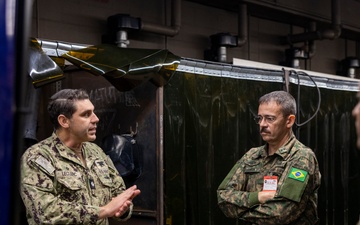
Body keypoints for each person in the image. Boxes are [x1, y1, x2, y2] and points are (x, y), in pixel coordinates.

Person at [20, 89, 141, 225]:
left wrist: (122, 209)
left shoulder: (96, 152)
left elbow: (118, 193)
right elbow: (44, 213)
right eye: (86, 114)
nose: (96, 119)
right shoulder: (38, 157)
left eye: (93, 112)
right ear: (64, 121)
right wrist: (103, 211)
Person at [217, 90, 321, 225]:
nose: (262, 124)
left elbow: (280, 214)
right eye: (260, 118)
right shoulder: (252, 155)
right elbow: (223, 197)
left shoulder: (302, 157)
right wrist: (258, 197)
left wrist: (239, 211)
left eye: (270, 119)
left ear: (289, 121)